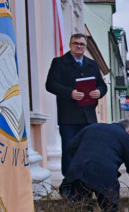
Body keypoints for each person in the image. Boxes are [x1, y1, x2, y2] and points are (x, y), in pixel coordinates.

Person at [45, 34, 107, 174]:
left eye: (82, 44)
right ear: (70, 45)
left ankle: (87, 181)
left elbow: (102, 85)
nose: (79, 46)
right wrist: (70, 93)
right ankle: (69, 185)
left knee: (88, 149)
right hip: (69, 117)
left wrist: (99, 91)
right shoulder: (59, 63)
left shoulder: (92, 64)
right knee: (69, 149)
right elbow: (50, 84)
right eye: (76, 43)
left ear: (85, 47)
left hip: (88, 116)